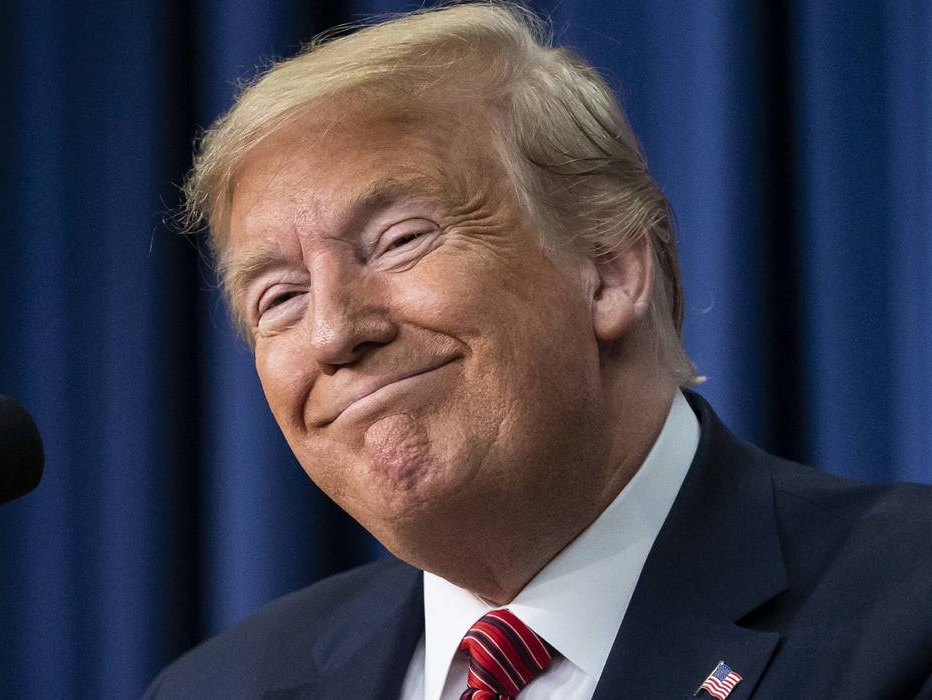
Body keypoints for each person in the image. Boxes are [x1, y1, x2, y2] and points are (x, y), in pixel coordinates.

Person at [146, 4, 932, 698]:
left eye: (399, 240)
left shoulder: (906, 610)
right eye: (279, 297)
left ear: (609, 268)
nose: (333, 332)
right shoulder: (217, 686)